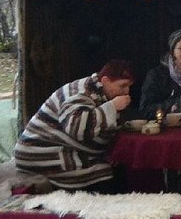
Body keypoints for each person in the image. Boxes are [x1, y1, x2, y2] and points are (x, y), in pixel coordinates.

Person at [14, 60, 134, 191]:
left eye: (129, 86)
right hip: (42, 153)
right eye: (122, 86)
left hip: (63, 150)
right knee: (108, 178)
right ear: (105, 80)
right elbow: (77, 129)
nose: (126, 91)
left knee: (119, 170)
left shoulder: (99, 92)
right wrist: (112, 106)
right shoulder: (80, 92)